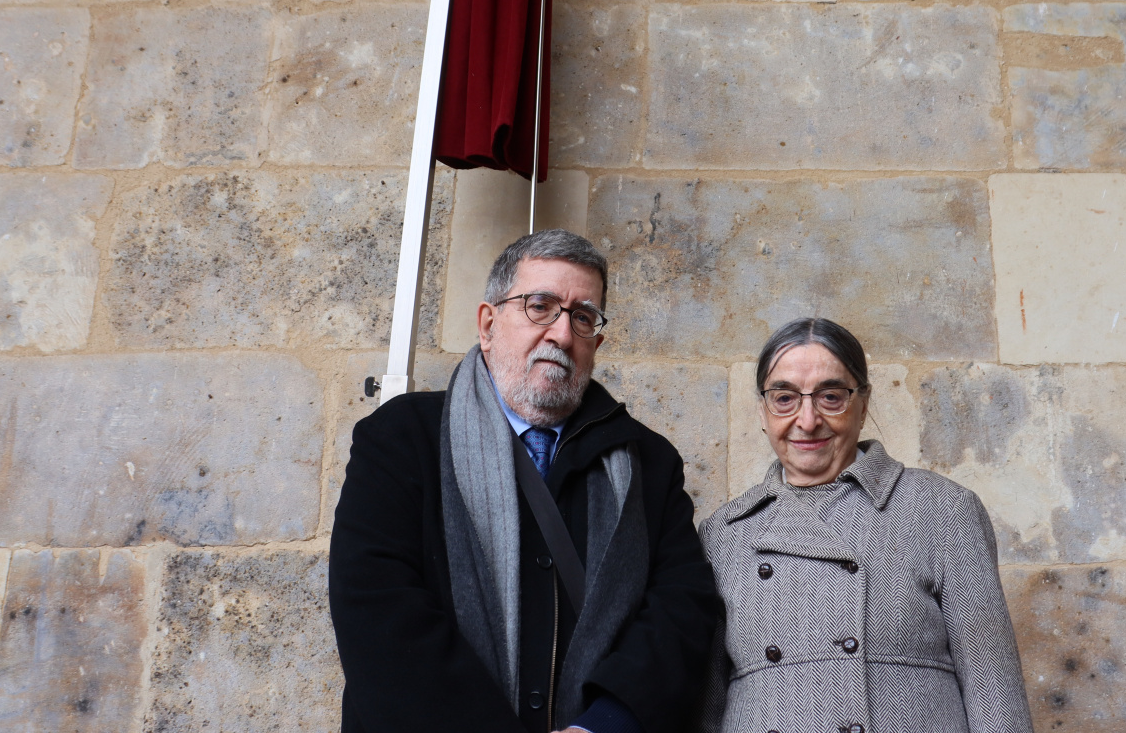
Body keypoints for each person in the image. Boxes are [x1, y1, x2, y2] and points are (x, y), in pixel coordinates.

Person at [330, 229, 721, 733]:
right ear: (488, 324)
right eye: (541, 306)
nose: (562, 334)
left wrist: (604, 725)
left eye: (582, 317)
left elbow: (681, 609)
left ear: (595, 342)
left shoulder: (649, 462)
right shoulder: (402, 439)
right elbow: (378, 611)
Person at [699, 317, 1034, 733]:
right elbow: (706, 706)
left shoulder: (941, 509)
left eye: (831, 397)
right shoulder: (724, 533)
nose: (807, 420)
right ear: (763, 410)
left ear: (863, 402)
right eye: (784, 398)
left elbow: (994, 690)